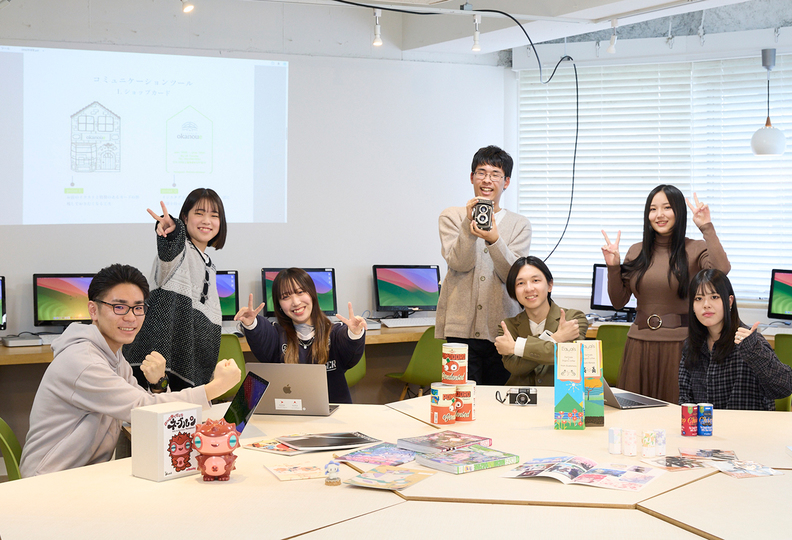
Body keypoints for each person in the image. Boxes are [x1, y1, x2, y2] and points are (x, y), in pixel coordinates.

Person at [20, 264, 241, 478]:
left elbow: (142, 406)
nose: (131, 317)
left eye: (138, 307)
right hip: (51, 479)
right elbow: (141, 407)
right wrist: (215, 388)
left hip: (84, 472)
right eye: (119, 307)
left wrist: (158, 385)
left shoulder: (114, 356)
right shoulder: (84, 361)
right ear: (93, 310)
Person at [601, 185, 730, 403]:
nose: (659, 214)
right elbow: (618, 302)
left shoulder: (695, 248)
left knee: (676, 414)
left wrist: (706, 227)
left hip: (681, 345)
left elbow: (721, 269)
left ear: (679, 211)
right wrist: (613, 267)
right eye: (653, 209)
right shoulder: (636, 251)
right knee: (633, 413)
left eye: (667, 207)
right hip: (638, 344)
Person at [435, 145, 532, 385]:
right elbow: (459, 263)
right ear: (472, 177)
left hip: (503, 330)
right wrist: (468, 228)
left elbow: (513, 276)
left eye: (495, 174)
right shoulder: (452, 216)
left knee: (499, 398)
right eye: (481, 172)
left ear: (506, 182)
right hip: (460, 330)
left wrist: (495, 240)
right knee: (459, 396)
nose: (487, 180)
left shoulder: (520, 224)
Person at [124, 188, 228, 391]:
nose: (206, 220)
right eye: (199, 213)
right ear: (185, 218)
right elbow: (171, 245)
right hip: (160, 371)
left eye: (214, 215)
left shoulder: (209, 265)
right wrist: (173, 231)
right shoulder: (181, 251)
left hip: (191, 369)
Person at [234, 268, 366, 404]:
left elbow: (348, 350)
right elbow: (263, 334)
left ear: (312, 294)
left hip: (334, 412)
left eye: (300, 292)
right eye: (285, 297)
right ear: (279, 305)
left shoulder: (334, 333)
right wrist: (252, 324)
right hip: (289, 413)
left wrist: (354, 334)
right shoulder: (277, 335)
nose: (296, 302)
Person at [679, 269, 792, 410]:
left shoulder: (750, 342)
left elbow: (784, 388)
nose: (706, 304)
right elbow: (685, 399)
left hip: (748, 423)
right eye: (698, 298)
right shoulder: (691, 345)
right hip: (705, 424)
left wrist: (754, 351)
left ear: (729, 301)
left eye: (714, 297)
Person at [494, 257, 588, 385]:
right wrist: (556, 338)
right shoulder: (508, 326)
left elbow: (567, 356)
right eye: (520, 283)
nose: (529, 288)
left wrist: (516, 347)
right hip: (521, 396)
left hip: (561, 395)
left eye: (535, 280)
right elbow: (516, 367)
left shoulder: (573, 318)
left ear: (550, 285)